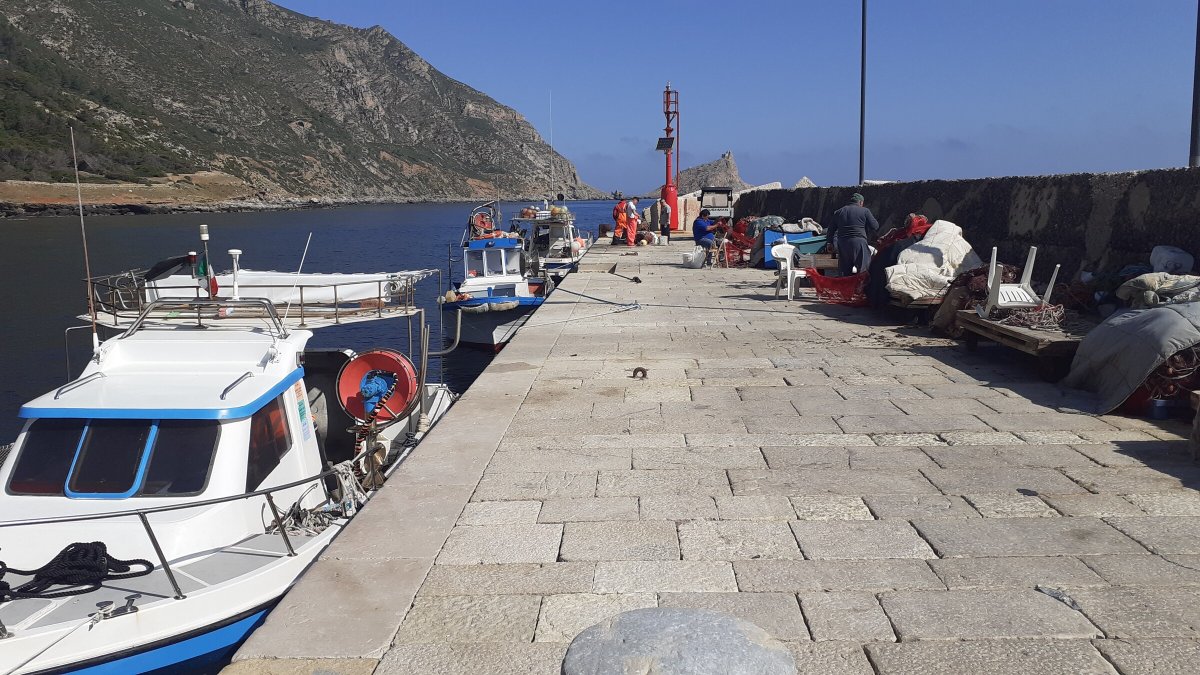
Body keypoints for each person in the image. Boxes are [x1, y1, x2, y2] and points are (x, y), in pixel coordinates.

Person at [825, 192, 880, 276]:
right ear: (861, 202)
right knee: (863, 271)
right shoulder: (865, 211)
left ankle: (846, 288)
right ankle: (861, 288)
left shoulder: (839, 212)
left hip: (843, 244)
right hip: (859, 243)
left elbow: (830, 230)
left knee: (845, 272)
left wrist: (830, 243)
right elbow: (875, 226)